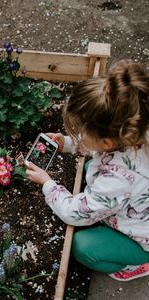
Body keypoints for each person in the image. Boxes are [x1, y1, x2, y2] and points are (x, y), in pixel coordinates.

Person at [26, 60, 149, 281]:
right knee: (92, 167)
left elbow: (74, 213)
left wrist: (48, 184)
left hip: (142, 236)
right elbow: (98, 148)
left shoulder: (117, 181)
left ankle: (137, 263)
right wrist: (66, 143)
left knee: (84, 247)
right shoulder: (134, 128)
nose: (78, 133)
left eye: (82, 130)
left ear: (106, 142)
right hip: (136, 200)